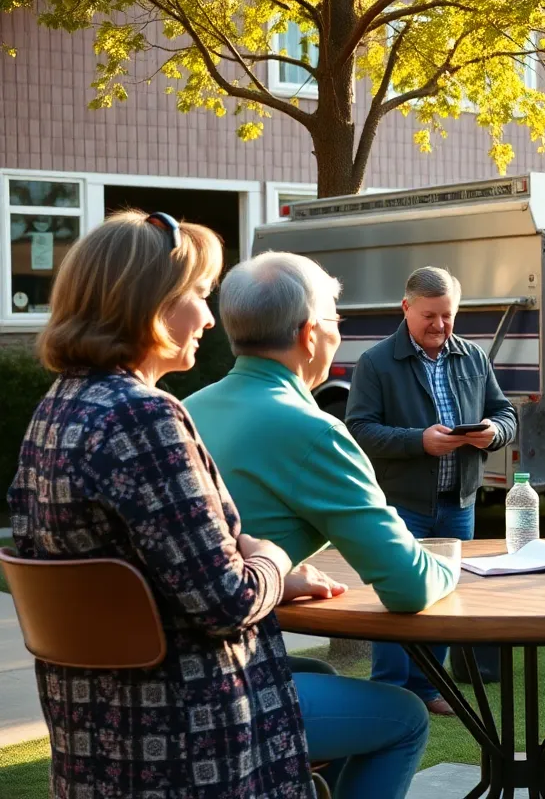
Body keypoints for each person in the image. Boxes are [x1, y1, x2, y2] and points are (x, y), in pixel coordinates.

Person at [5, 212, 335, 797]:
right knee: (395, 716)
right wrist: (275, 561)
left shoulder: (57, 411)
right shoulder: (143, 415)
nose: (209, 317)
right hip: (189, 741)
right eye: (200, 295)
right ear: (149, 303)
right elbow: (225, 601)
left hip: (92, 736)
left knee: (322, 674)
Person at [183, 251, 459, 798]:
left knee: (326, 679)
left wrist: (281, 577)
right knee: (404, 716)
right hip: (219, 689)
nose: (337, 335)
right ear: (309, 334)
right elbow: (407, 586)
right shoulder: (314, 431)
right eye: (336, 322)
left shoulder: (186, 409)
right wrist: (449, 564)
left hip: (167, 678)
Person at [346, 266, 517, 715]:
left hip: (459, 502)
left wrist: (492, 432)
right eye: (430, 316)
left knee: (445, 594)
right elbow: (359, 430)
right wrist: (417, 441)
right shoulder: (376, 361)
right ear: (406, 309)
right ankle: (387, 690)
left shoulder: (473, 357)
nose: (440, 325)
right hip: (401, 504)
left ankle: (426, 689)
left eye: (448, 315)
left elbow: (506, 414)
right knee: (400, 597)